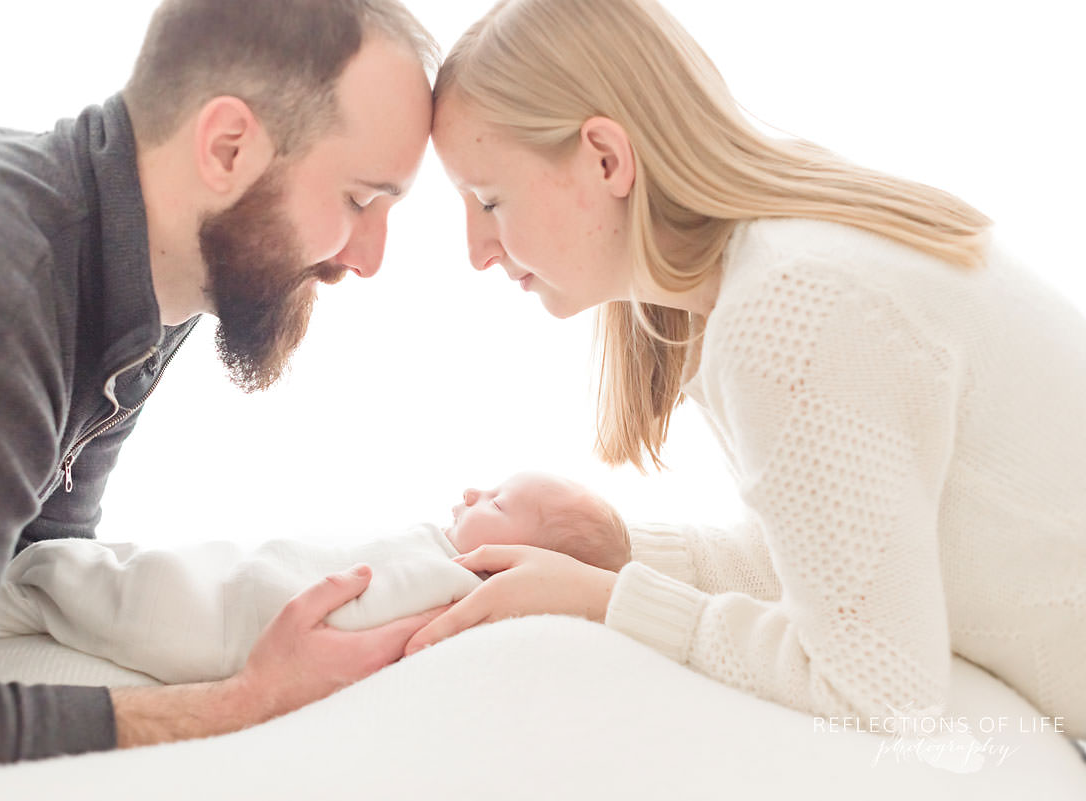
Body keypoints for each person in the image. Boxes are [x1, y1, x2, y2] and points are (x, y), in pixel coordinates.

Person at [404, 0, 1086, 744]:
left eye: (490, 199)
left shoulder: (792, 306)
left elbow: (882, 687)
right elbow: (858, 569)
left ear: (607, 158)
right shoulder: (793, 256)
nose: (477, 248)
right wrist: (621, 550)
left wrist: (608, 601)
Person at [0, 0, 440, 785]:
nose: (370, 256)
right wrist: (243, 703)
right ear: (227, 146)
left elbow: (41, 569)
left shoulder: (146, 283)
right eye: (359, 199)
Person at [0, 472, 631, 684]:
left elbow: (360, 621)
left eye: (495, 503)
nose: (471, 490)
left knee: (118, 591)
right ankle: (11, 588)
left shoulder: (459, 587)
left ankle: (10, 591)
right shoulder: (438, 554)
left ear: (517, 559)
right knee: (119, 569)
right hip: (245, 575)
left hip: (240, 614)